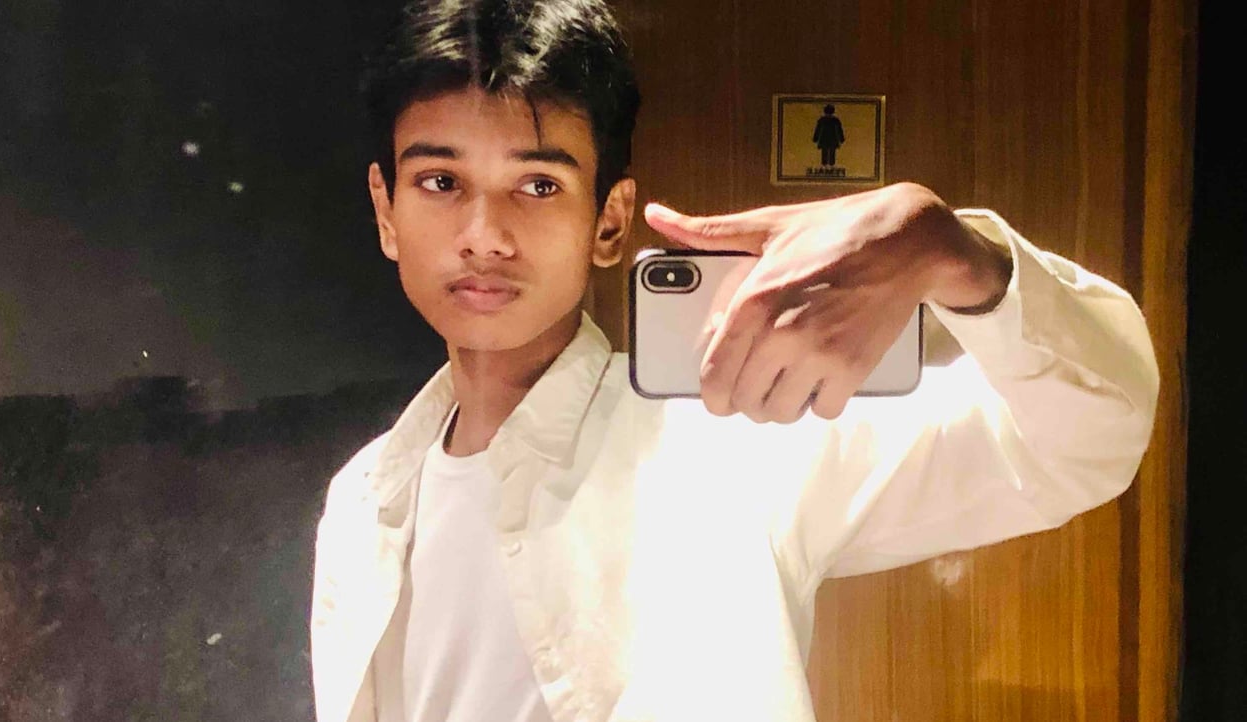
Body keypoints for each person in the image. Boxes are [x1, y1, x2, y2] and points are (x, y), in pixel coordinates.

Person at [310, 1, 1159, 720]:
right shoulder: (363, 501)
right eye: (440, 182)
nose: (485, 236)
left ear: (610, 222)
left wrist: (961, 259)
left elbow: (1084, 441)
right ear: (386, 211)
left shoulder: (738, 435)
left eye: (539, 185)